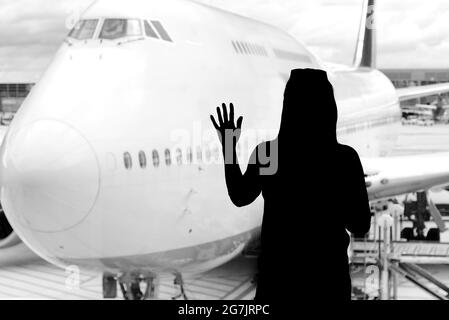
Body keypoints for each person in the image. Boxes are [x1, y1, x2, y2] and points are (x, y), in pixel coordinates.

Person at [211, 68, 371, 302]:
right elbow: (359, 224)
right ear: (328, 107)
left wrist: (228, 145)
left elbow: (240, 196)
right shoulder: (343, 159)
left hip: (278, 279)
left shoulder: (269, 153)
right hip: (327, 279)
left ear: (288, 106)